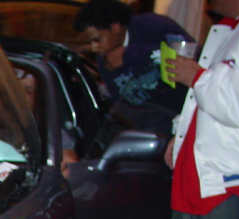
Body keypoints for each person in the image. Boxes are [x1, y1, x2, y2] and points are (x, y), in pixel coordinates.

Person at [164, 0, 239, 219]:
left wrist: (196, 77)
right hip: (200, 181)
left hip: (235, 182)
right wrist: (182, 133)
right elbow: (209, 98)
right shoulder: (231, 27)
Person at [74, 0, 194, 134]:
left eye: (96, 39)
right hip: (147, 126)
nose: (94, 47)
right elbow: (120, 102)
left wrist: (132, 54)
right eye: (90, 42)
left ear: (115, 27)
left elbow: (190, 56)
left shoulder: (153, 25)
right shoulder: (104, 59)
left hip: (183, 115)